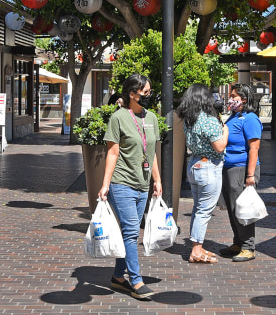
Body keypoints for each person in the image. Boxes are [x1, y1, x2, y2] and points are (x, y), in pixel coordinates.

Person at [98, 74, 162, 300]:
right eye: (144, 92)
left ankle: (117, 277)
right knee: (132, 231)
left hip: (142, 184)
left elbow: (151, 152)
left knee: (129, 233)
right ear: (132, 94)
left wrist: (157, 180)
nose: (148, 96)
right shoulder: (118, 118)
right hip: (121, 183)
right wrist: (105, 184)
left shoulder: (152, 118)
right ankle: (136, 280)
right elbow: (113, 153)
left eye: (149, 92)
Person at [176, 84, 228, 264]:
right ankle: (196, 250)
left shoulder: (189, 120)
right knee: (204, 211)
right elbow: (220, 146)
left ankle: (197, 246)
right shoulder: (208, 120)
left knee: (198, 209)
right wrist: (225, 131)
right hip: (209, 167)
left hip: (195, 164)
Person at [218, 83, 262, 262]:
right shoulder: (234, 116)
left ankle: (248, 247)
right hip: (229, 169)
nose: (230, 98)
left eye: (234, 95)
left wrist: (250, 175)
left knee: (243, 209)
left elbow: (254, 148)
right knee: (232, 209)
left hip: (242, 169)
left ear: (244, 99)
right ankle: (238, 242)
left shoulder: (250, 119)